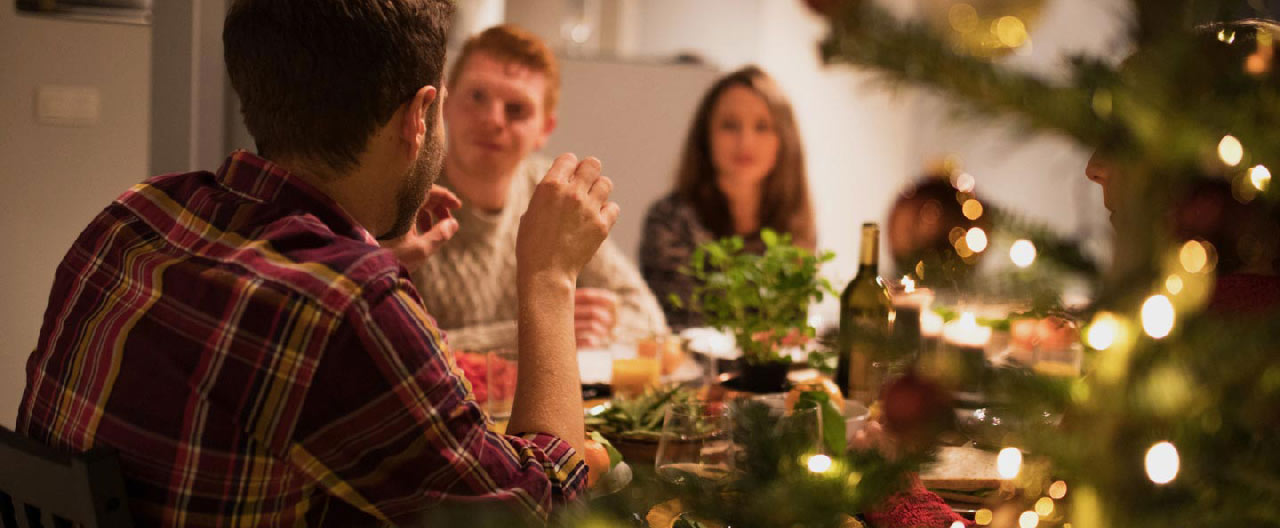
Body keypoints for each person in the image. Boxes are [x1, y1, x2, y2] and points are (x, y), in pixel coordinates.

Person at [17, 1, 616, 525]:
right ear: (420, 115)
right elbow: (538, 515)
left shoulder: (135, 213)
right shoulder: (346, 305)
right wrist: (548, 279)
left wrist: (369, 256)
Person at [404, 24, 668, 352]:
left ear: (544, 129)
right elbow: (395, 346)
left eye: (516, 109)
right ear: (445, 100)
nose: (492, 119)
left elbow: (649, 319)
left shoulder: (554, 193)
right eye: (477, 96)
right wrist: (541, 328)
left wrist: (603, 325)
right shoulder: (403, 194)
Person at [640, 65, 817, 330]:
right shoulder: (669, 220)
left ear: (783, 139)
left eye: (762, 126)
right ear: (706, 137)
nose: (745, 141)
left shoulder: (794, 221)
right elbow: (682, 326)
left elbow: (790, 329)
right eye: (730, 126)